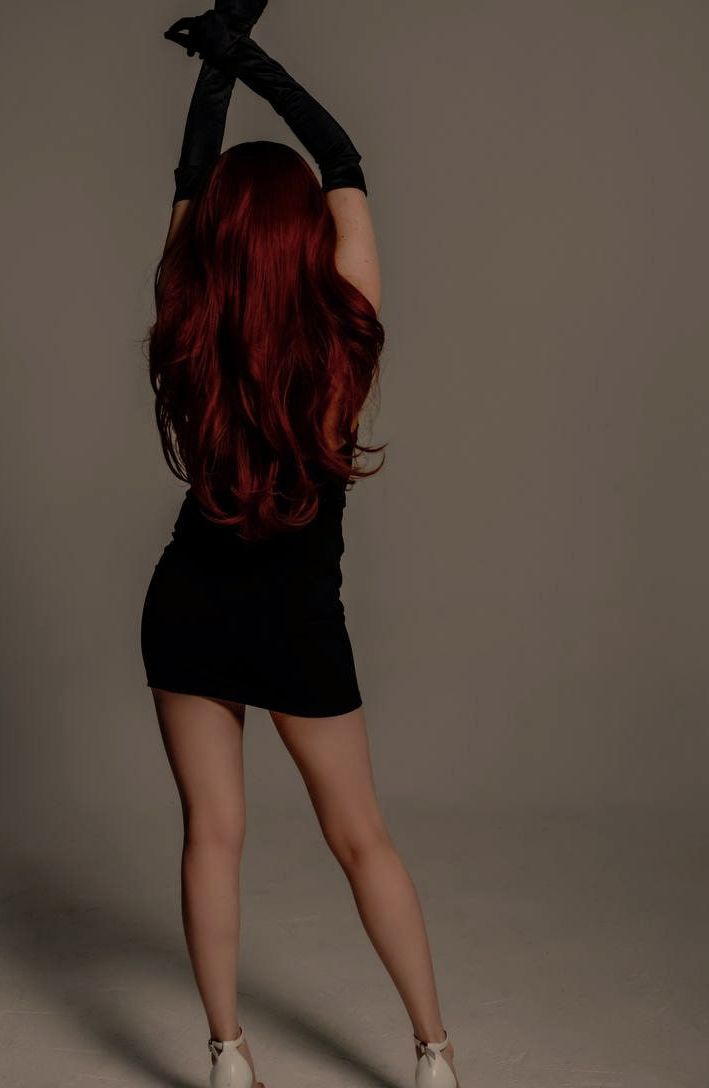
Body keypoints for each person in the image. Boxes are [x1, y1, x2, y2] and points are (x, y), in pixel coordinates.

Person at [140, 5, 459, 1087]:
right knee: (360, 836)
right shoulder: (344, 326)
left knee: (211, 834)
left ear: (218, 239)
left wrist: (217, 63)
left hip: (187, 602)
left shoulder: (186, 309)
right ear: (305, 237)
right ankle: (434, 1053)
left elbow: (192, 177)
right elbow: (342, 158)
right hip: (295, 617)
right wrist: (246, 53)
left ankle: (227, 1054)